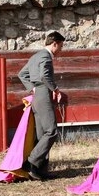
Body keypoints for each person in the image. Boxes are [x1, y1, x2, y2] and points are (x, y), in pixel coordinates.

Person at [17, 31, 66, 181]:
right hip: (43, 93)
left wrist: (32, 88)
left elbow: (22, 74)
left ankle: (39, 170)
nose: (61, 50)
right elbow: (45, 75)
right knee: (51, 131)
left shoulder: (35, 56)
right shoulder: (45, 56)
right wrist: (55, 89)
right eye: (61, 46)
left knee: (41, 134)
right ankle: (31, 162)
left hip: (36, 96)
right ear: (54, 44)